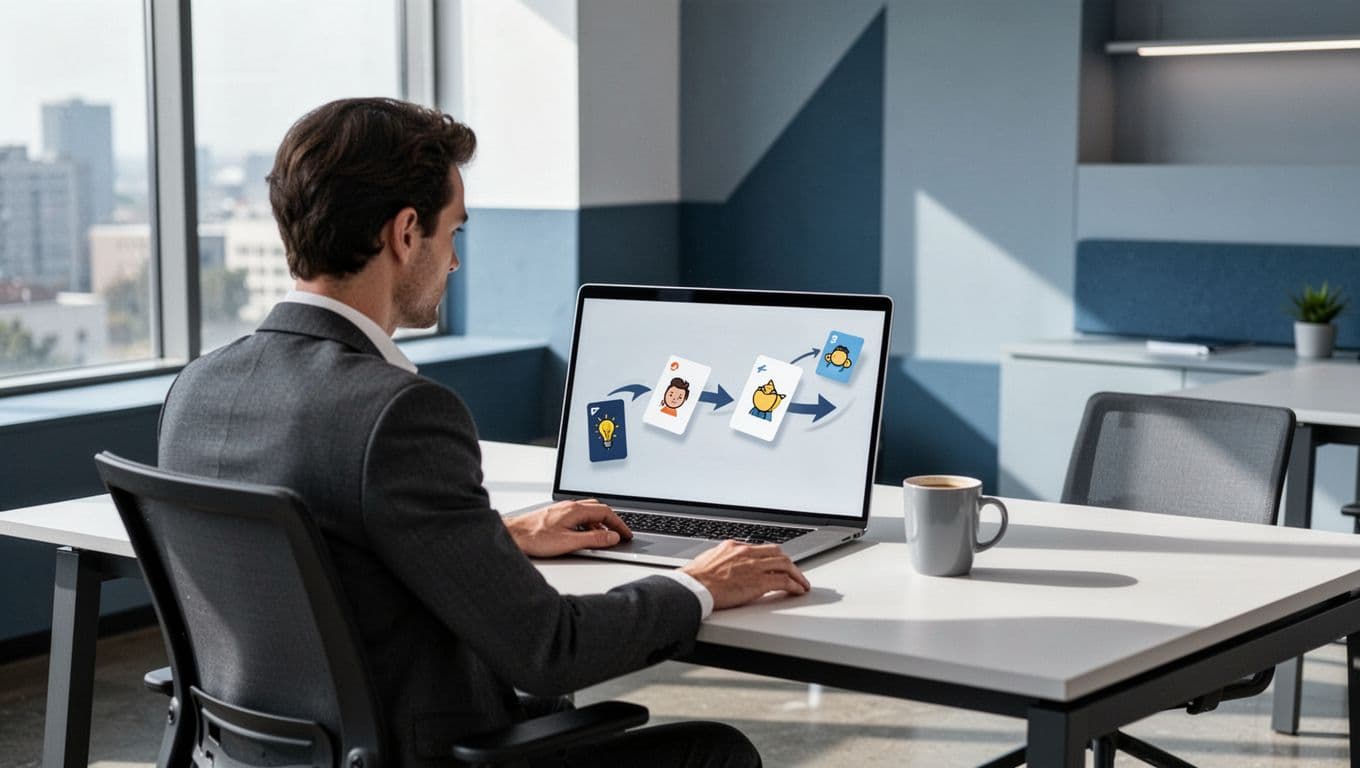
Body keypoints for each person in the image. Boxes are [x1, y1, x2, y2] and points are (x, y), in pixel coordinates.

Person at [157, 97, 810, 768]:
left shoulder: (198, 390)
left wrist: (500, 540)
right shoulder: (399, 413)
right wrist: (697, 584)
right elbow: (549, 649)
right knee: (716, 751)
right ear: (406, 233)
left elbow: (334, 558)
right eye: (454, 234)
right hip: (426, 755)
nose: (455, 263)